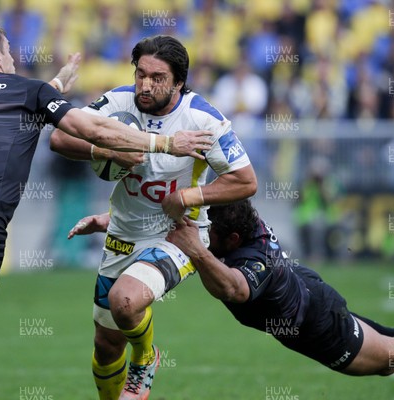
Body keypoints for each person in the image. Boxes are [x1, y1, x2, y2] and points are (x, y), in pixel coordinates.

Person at [0, 21, 213, 400]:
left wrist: (56, 85)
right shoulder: (27, 90)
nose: (15, 57)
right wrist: (165, 142)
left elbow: (19, 104)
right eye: (10, 51)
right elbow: (92, 130)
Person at [51, 35, 257, 399]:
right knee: (106, 344)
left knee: (125, 301)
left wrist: (189, 195)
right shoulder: (117, 103)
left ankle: (146, 357)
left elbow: (245, 180)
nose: (145, 85)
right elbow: (60, 139)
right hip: (122, 234)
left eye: (157, 78)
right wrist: (109, 149)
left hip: (176, 235)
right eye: (140, 74)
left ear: (179, 82)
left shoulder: (202, 119)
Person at [71, 200, 394, 378]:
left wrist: (196, 252)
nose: (205, 238)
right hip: (306, 291)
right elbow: (187, 222)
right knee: (392, 348)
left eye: (212, 238)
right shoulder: (233, 219)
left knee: (392, 359)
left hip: (317, 325)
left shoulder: (252, 258)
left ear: (235, 237)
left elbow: (236, 290)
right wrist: (110, 220)